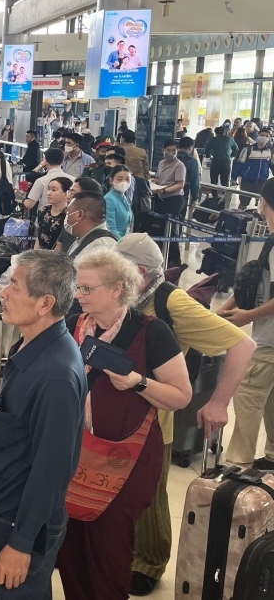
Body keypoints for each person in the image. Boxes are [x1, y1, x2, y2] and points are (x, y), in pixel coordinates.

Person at [114, 234, 255, 596]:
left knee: (148, 492)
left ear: (141, 272)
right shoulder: (130, 296)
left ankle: (148, 561)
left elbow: (242, 344)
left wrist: (219, 402)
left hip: (154, 415)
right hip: (115, 410)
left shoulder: (171, 301)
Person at [57, 250, 192, 600]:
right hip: (74, 454)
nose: (78, 295)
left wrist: (138, 382)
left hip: (123, 461)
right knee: (70, 548)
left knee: (108, 551)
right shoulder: (75, 324)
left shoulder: (151, 332)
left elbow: (181, 395)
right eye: (77, 287)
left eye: (87, 288)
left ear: (117, 289)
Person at [0, 250, 85, 599]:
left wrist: (20, 544)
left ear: (44, 303)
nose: (3, 293)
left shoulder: (55, 376)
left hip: (18, 522)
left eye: (14, 286)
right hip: (4, 508)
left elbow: (52, 469)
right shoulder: (30, 347)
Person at [219, 178, 274, 472]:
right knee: (271, 399)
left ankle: (239, 463)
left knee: (249, 397)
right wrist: (228, 309)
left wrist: (247, 317)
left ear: (263, 203)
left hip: (269, 341)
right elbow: (252, 282)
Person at [64, 192, 118, 259]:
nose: (66, 217)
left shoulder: (102, 247)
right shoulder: (84, 239)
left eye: (68, 212)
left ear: (79, 214)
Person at [23, 147, 74, 214]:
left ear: (45, 161)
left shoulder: (41, 181)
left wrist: (23, 200)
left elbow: (29, 205)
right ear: (62, 162)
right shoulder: (74, 180)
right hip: (67, 219)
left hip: (44, 218)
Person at [235, 127, 273, 209]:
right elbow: (239, 164)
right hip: (247, 181)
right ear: (258, 135)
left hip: (262, 181)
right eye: (262, 135)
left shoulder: (270, 151)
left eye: (266, 136)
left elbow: (272, 165)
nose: (264, 137)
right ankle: (239, 219)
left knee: (261, 205)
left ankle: (256, 221)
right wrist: (233, 178)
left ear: (269, 138)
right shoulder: (248, 149)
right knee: (243, 203)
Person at [35, 176, 74, 251]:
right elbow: (39, 237)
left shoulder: (69, 214)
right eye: (48, 189)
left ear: (66, 193)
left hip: (60, 258)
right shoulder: (43, 210)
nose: (49, 193)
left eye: (53, 190)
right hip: (41, 256)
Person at [105, 167, 134, 239]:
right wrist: (122, 244)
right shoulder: (109, 199)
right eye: (119, 179)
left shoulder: (124, 197)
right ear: (111, 180)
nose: (124, 182)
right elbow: (111, 229)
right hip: (113, 242)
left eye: (127, 179)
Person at [176, 136, 201, 209]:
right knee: (179, 217)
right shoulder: (192, 162)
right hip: (182, 192)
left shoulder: (168, 158)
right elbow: (195, 181)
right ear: (190, 148)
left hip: (165, 192)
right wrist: (195, 198)